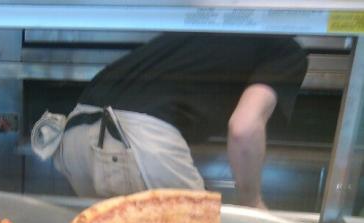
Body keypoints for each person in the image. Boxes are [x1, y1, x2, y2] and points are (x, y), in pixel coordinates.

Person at [31, 33, 308, 208]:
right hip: (130, 138)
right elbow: (244, 128)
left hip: (74, 133)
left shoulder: (208, 30)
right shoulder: (284, 50)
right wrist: (252, 202)